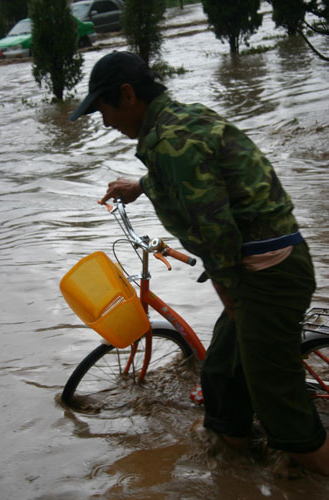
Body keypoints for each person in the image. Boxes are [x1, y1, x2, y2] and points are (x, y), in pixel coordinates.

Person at [70, 50, 329, 475]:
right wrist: (141, 185)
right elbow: (200, 171)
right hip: (265, 264)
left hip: (265, 272)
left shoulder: (170, 141)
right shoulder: (178, 120)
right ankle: (232, 461)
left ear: (128, 95)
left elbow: (217, 235)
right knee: (223, 369)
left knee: (281, 408)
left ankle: (305, 457)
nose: (105, 121)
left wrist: (230, 296)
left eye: (103, 110)